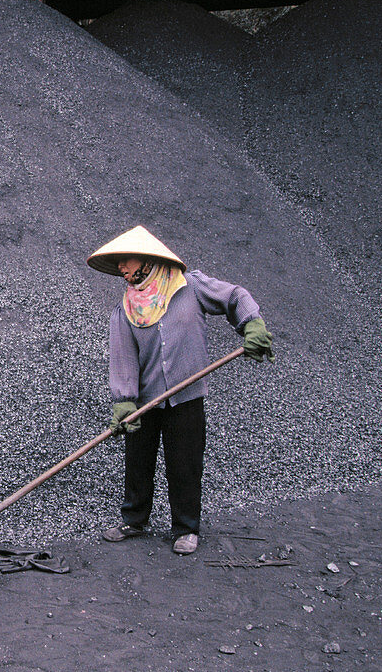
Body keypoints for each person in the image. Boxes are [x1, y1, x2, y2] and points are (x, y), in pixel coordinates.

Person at [87, 226, 274, 555]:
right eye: (117, 263)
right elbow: (124, 358)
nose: (121, 268)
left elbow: (234, 297)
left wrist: (251, 323)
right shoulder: (127, 309)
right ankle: (134, 519)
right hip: (145, 400)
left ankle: (186, 528)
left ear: (146, 259)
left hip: (187, 398)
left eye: (125, 260)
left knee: (184, 462)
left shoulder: (190, 287)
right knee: (138, 460)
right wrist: (124, 401)